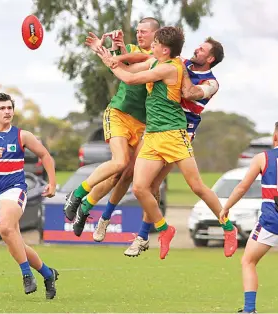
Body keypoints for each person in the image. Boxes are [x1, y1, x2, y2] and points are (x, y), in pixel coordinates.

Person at [97, 26, 237, 259]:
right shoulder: (178, 62)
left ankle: (228, 228)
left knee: (195, 186)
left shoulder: (209, 82)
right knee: (142, 186)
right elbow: (144, 60)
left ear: (210, 58)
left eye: (201, 50)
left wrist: (176, 73)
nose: (196, 49)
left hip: (180, 131)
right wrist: (116, 56)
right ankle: (156, 232)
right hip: (154, 131)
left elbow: (190, 93)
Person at [63, 18, 161, 238]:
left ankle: (85, 207)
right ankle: (76, 195)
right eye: (137, 31)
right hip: (118, 114)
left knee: (122, 176)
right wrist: (105, 49)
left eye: (143, 31)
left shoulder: (159, 59)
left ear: (157, 35)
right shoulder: (134, 50)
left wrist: (117, 50)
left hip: (141, 124)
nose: (139, 34)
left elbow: (137, 60)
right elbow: (124, 63)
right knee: (120, 161)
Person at [0, 93, 59, 299]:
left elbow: (45, 155)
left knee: (7, 228)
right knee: (15, 241)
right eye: (3, 108)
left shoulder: (22, 135)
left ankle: (27, 275)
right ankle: (47, 273)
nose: (7, 111)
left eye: (10, 108)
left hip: (15, 189)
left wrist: (52, 183)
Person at [219, 120, 278, 313]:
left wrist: (226, 207)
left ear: (275, 136)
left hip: (272, 218)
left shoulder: (263, 157)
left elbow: (243, 187)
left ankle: (249, 309)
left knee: (248, 261)